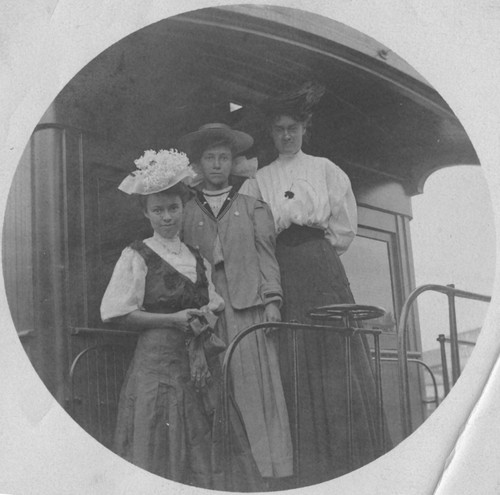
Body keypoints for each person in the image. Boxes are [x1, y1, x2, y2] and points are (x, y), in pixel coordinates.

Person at [240, 83, 383, 486]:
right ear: (271, 132)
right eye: (279, 129)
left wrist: (314, 255)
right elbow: (255, 235)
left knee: (333, 354)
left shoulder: (325, 169)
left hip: (320, 268)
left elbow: (342, 231)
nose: (286, 135)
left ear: (304, 128)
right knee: (294, 355)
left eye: (293, 128)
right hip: (281, 267)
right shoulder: (259, 180)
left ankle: (350, 460)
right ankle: (310, 470)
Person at [100, 148, 225, 488]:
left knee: (194, 450)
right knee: (153, 447)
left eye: (173, 208)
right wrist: (171, 320)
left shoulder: (197, 258)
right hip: (154, 367)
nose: (167, 216)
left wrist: (202, 323)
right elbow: (118, 314)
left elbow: (214, 306)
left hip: (193, 369)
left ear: (184, 208)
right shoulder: (137, 255)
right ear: (146, 213)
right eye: (158, 210)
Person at [178, 123, 294, 483]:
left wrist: (272, 300)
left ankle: (268, 471)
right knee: (213, 386)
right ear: (200, 163)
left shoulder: (252, 204)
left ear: (233, 162)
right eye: (210, 158)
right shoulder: (185, 209)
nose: (217, 165)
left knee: (255, 387)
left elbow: (267, 256)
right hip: (207, 309)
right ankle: (223, 475)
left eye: (223, 158)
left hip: (248, 306)